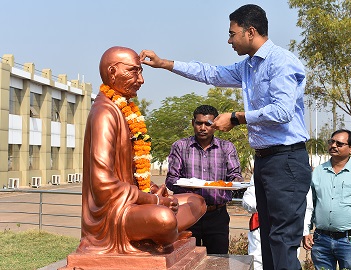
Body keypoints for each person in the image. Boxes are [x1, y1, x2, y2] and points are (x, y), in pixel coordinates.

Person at [141, 4, 312, 269]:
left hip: (286, 160)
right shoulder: (248, 67)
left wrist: (236, 117)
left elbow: (282, 111)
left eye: (232, 34)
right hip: (266, 161)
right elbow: (210, 73)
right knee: (268, 239)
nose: (229, 40)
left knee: (282, 239)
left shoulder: (281, 62)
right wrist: (165, 64)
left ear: (250, 32)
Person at [78, 46, 206, 254]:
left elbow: (132, 172)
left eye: (141, 72)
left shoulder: (125, 110)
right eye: (134, 71)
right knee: (163, 218)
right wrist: (154, 201)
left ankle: (163, 232)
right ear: (112, 72)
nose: (141, 80)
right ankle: (164, 232)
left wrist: (152, 190)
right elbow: (103, 185)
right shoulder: (104, 113)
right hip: (114, 214)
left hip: (136, 201)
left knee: (196, 202)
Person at [165, 104, 243, 254]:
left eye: (208, 124)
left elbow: (235, 175)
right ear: (192, 123)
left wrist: (233, 183)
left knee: (218, 260)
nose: (203, 127)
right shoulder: (180, 146)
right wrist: (188, 187)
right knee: (185, 259)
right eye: (199, 123)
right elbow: (171, 179)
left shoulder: (227, 148)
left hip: (217, 215)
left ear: (215, 125)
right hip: (187, 213)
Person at [303, 129, 351, 270]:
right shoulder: (318, 172)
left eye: (339, 143)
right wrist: (306, 231)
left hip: (349, 241)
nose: (333, 145)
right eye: (331, 142)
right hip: (321, 240)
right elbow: (310, 205)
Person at [242, 175, 314, 270]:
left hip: (288, 227)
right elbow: (247, 200)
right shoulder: (262, 167)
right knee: (257, 263)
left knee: (287, 263)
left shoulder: (295, 167)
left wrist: (305, 231)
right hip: (260, 227)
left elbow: (307, 204)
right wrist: (265, 206)